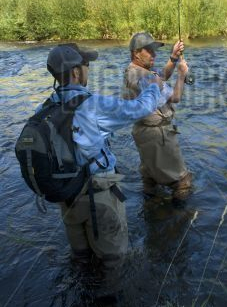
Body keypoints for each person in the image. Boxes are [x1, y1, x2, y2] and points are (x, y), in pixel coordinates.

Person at [44, 42, 163, 279]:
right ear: (76, 72)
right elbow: (140, 108)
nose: (88, 69)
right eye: (86, 64)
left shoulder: (45, 107)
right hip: (98, 198)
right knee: (113, 266)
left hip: (67, 199)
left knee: (81, 263)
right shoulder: (92, 104)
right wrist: (153, 85)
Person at [123, 32, 192, 201]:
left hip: (142, 132)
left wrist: (174, 58)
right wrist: (182, 75)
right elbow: (175, 97)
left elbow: (161, 76)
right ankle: (179, 220)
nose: (154, 54)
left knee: (150, 180)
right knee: (182, 181)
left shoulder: (134, 71)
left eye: (154, 50)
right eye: (149, 50)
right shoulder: (144, 76)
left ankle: (152, 213)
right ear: (136, 53)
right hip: (158, 136)